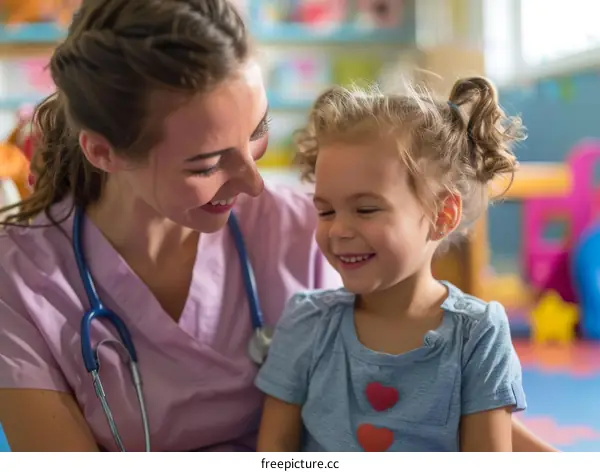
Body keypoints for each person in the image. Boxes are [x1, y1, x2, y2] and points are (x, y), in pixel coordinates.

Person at [0, 0, 554, 453]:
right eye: (207, 163)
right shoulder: (20, 282)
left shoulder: (299, 228)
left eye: (258, 132)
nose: (255, 183)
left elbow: (431, 404)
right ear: (104, 151)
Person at [255, 78, 532, 452]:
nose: (338, 229)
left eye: (366, 209)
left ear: (442, 213)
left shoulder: (477, 336)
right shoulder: (306, 325)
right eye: (326, 210)